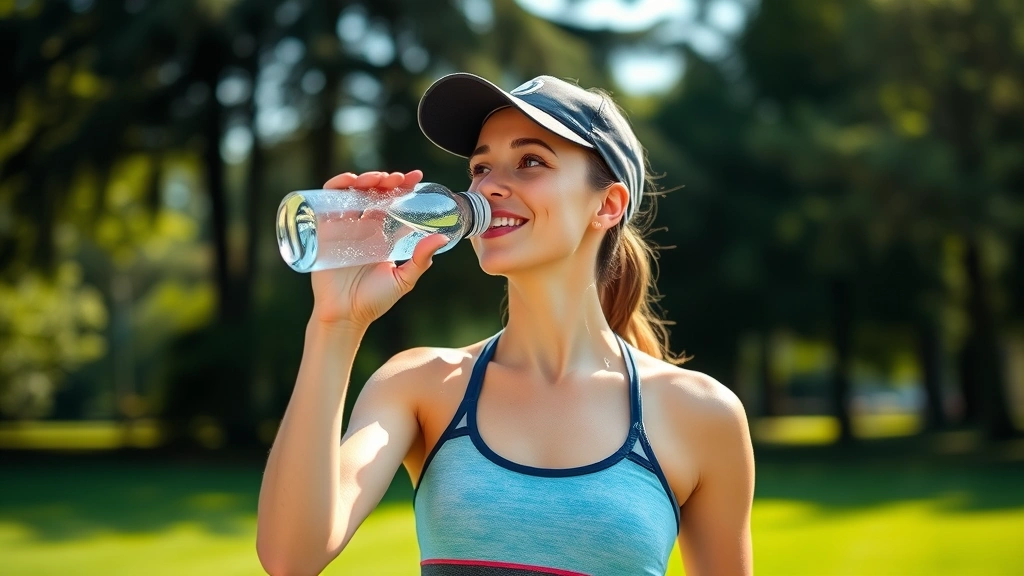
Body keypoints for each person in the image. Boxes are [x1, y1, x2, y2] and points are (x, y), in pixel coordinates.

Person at [256, 73, 755, 576]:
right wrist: (336, 324)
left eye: (531, 161)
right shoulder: (421, 385)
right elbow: (290, 557)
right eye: (480, 166)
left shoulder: (701, 415)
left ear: (607, 205)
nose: (487, 185)